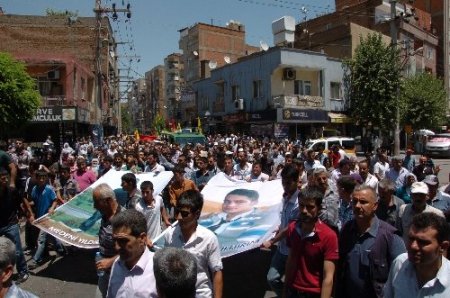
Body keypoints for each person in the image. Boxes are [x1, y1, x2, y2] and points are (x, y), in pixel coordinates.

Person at [337, 185, 406, 298]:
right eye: (355, 201)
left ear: (375, 206)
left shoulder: (390, 236)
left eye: (363, 202)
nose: (358, 206)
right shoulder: (346, 230)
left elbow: (402, 275)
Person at [164, 190, 223, 298]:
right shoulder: (169, 235)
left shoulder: (208, 238)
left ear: (197, 214)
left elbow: (216, 271)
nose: (179, 218)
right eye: (177, 212)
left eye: (185, 214)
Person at [284, 188, 338, 298]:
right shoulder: (292, 229)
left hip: (313, 293)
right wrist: (285, 290)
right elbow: (291, 260)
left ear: (319, 209)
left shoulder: (329, 236)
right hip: (293, 291)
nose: (304, 210)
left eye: (310, 207)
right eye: (301, 205)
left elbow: (328, 277)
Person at [384, 213, 450, 297]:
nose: (413, 246)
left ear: (443, 247)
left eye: (423, 242)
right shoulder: (400, 263)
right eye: (411, 239)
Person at [262, 165, 300, 297]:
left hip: (292, 251)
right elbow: (282, 222)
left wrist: (272, 241)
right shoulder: (285, 197)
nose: (285, 186)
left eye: (288, 183)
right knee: (272, 278)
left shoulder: (299, 203)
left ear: (297, 181)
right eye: (283, 182)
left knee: (292, 282)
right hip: (281, 249)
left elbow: (289, 228)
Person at [107, 209, 158, 298]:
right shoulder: (117, 264)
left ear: (142, 239)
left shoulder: (158, 269)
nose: (117, 247)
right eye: (114, 240)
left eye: (123, 241)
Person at [24, 170, 65, 269]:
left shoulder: (49, 189)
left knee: (41, 239)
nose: (42, 180)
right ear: (37, 179)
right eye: (40, 178)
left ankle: (35, 260)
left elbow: (55, 200)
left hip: (48, 217)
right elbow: (34, 200)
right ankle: (61, 250)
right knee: (52, 235)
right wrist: (28, 204)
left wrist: (52, 208)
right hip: (40, 217)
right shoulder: (35, 189)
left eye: (44, 178)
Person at [92, 183, 122, 298]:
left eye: (97, 202)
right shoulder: (104, 215)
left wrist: (111, 261)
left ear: (108, 201)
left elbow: (131, 250)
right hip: (104, 272)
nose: (95, 206)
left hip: (119, 273)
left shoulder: (123, 219)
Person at [0, 168, 29, 284]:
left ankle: (23, 271)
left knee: (17, 250)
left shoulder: (12, 191)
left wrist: (26, 214)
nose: (6, 180)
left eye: (6, 177)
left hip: (11, 224)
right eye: (2, 178)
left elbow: (20, 202)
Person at [135, 181, 171, 246]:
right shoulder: (139, 207)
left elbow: (162, 208)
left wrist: (166, 220)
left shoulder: (159, 199)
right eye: (143, 192)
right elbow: (139, 225)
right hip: (148, 240)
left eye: (147, 192)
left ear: (152, 191)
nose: (145, 195)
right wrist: (146, 238)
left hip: (159, 235)